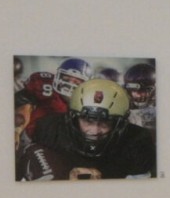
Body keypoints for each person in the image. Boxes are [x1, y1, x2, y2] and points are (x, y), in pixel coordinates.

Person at [17, 77, 156, 180]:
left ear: (121, 123)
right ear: (72, 117)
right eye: (88, 120)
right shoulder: (49, 129)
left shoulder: (137, 142)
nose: (94, 131)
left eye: (105, 122)